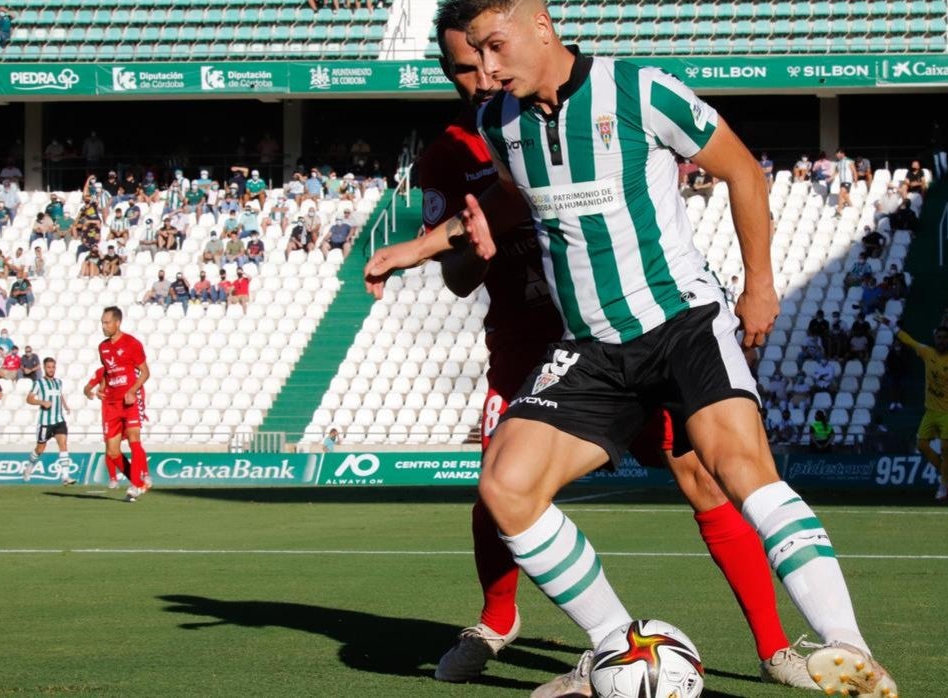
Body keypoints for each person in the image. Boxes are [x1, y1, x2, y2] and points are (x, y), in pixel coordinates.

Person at [368, 3, 897, 696]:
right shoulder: (500, 123)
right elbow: (509, 197)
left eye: (495, 48)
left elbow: (743, 170)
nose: (487, 71)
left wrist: (760, 286)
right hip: (591, 346)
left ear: (540, 26)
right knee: (505, 485)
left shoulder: (640, 90)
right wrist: (420, 248)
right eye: (475, 56)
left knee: (737, 469)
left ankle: (847, 647)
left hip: (681, 323)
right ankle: (619, 647)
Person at [880, 317, 948, 501]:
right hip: (931, 411)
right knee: (921, 445)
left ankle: (943, 485)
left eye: (944, 338)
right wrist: (891, 325)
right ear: (935, 339)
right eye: (938, 337)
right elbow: (908, 340)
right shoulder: (927, 352)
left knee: (945, 446)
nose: (941, 341)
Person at [89, 306, 151, 502]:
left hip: (130, 400)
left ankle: (136, 485)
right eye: (102, 322)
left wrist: (132, 391)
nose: (104, 326)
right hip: (112, 403)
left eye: (107, 322)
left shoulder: (132, 343)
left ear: (117, 323)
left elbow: (145, 372)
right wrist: (102, 388)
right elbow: (107, 372)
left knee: (134, 439)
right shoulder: (103, 347)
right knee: (112, 451)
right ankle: (138, 482)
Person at [24, 357, 77, 485]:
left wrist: (65, 405)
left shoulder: (59, 382)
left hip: (59, 420)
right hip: (45, 423)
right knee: (40, 449)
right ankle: (29, 467)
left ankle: (65, 477)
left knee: (63, 444)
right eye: (49, 367)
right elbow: (29, 399)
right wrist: (42, 402)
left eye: (53, 367)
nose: (51, 369)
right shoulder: (39, 383)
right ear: (44, 368)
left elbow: (59, 394)